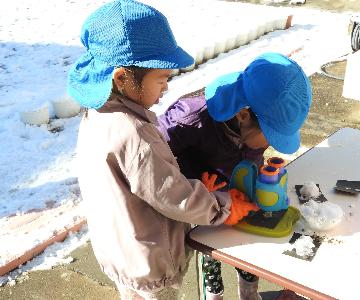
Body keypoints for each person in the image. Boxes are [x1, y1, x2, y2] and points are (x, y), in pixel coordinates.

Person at [67, 1, 259, 299]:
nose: (166, 89)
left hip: (122, 250)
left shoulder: (98, 115)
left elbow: (142, 181)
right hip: (151, 262)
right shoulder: (135, 133)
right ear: (122, 78)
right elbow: (174, 196)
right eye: (162, 79)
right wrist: (224, 206)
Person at [157, 52, 312, 300]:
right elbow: (153, 162)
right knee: (210, 252)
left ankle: (250, 294)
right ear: (243, 115)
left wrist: (256, 182)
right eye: (271, 136)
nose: (270, 143)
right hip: (203, 205)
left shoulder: (254, 120)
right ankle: (214, 294)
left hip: (238, 198)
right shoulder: (187, 119)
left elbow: (252, 153)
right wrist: (193, 185)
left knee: (248, 250)